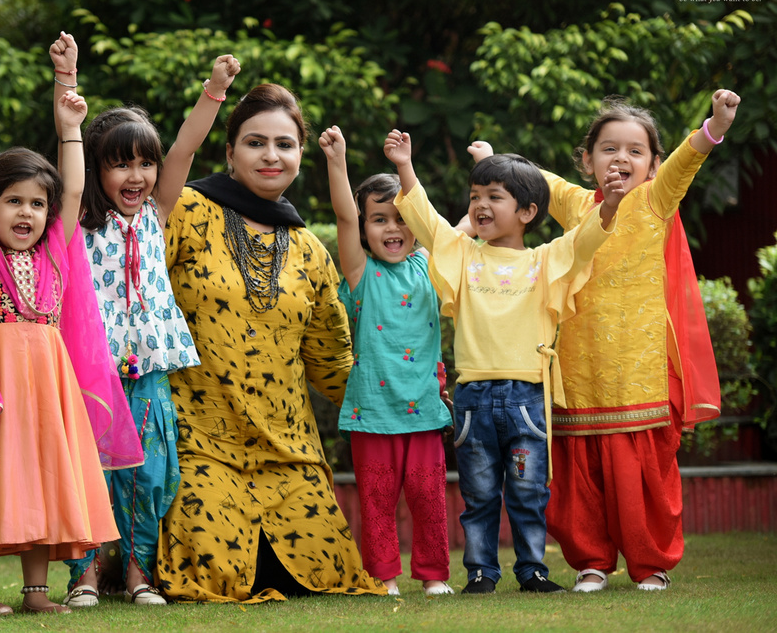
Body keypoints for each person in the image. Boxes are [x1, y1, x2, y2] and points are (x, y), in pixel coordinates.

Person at [156, 83, 387, 602]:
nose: (270, 156)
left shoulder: (309, 250)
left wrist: (402, 394)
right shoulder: (187, 212)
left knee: (329, 575)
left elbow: (332, 359)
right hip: (200, 441)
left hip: (288, 449)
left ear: (301, 154)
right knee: (209, 578)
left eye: (284, 144)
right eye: (255, 142)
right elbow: (136, 297)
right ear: (231, 152)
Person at [384, 128, 625, 595]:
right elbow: (430, 223)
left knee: (530, 492)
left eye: (495, 196)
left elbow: (586, 240)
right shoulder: (463, 255)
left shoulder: (545, 261)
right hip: (474, 397)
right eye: (476, 195)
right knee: (478, 496)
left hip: (527, 399)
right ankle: (480, 573)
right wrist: (404, 166)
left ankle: (532, 570)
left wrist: (610, 205)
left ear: (528, 212)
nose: (481, 205)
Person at [49, 32, 240, 606]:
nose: (136, 176)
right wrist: (67, 83)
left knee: (149, 473)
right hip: (92, 364)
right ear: (98, 171)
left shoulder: (158, 211)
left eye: (144, 163)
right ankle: (84, 573)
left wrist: (215, 91)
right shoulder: (79, 215)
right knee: (92, 470)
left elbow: (182, 149)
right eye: (120, 164)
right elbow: (71, 160)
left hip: (149, 365)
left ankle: (137, 573)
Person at [0, 75, 141, 616]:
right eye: (12, 202)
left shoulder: (56, 250)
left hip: (47, 387)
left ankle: (36, 592)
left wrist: (72, 130)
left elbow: (74, 190)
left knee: (43, 475)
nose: (25, 213)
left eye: (35, 203)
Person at [537, 91, 737, 592]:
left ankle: (650, 565)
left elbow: (690, 157)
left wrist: (715, 124)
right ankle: (591, 563)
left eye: (635, 151)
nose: (620, 159)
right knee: (581, 471)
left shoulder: (656, 199)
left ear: (652, 165)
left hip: (641, 366)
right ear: (587, 161)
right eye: (608, 149)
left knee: (643, 472)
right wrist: (489, 159)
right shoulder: (575, 205)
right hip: (581, 368)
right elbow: (531, 178)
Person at [318, 125, 453, 597]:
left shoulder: (431, 263)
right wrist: (338, 161)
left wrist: (404, 167)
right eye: (379, 220)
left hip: (423, 411)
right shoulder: (360, 271)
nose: (392, 228)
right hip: (372, 413)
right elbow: (344, 216)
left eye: (400, 218)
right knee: (376, 501)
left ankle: (434, 575)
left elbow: (430, 218)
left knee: (429, 498)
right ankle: (384, 577)